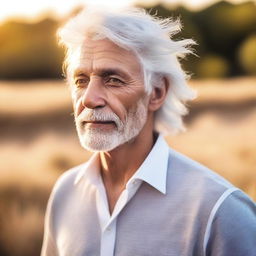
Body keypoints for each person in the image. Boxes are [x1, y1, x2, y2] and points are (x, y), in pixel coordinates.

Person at [41, 7, 256, 256]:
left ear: (157, 92)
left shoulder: (221, 210)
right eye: (81, 80)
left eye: (113, 79)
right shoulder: (65, 192)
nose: (89, 99)